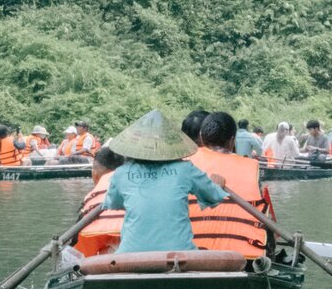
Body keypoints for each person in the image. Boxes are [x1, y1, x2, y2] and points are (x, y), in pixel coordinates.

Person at [99, 110, 232, 255]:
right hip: (181, 253)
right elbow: (213, 196)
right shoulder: (185, 169)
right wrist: (216, 185)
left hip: (130, 254)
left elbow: (114, 203)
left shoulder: (121, 173)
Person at [189, 112, 270, 258]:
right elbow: (266, 219)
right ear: (232, 140)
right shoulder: (251, 166)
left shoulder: (184, 163)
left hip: (189, 254)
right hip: (243, 257)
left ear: (201, 136)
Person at [74, 147, 127, 258]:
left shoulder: (91, 198)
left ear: (94, 174)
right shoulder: (135, 186)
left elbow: (82, 251)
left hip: (106, 256)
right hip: (143, 249)